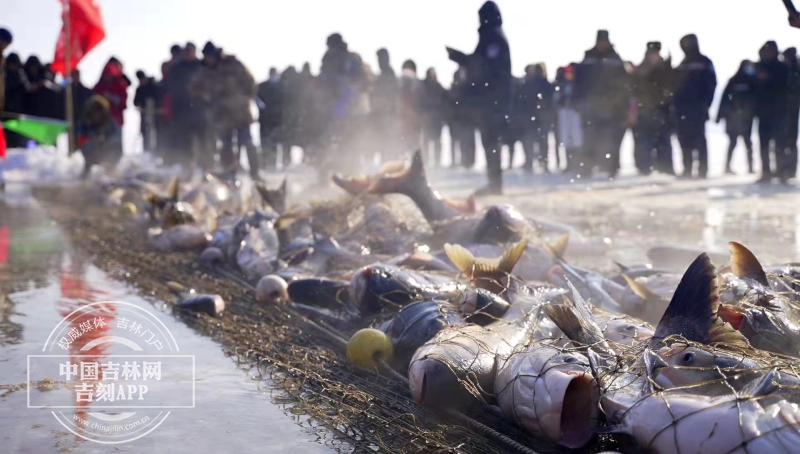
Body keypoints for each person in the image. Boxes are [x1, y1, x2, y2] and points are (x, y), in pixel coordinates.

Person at [447, 1, 512, 195]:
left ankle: (495, 183)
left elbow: (484, 67)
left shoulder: (493, 38)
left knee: (491, 141)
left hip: (493, 100)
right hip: (491, 99)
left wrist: (460, 58)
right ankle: (494, 181)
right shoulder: (491, 37)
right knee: (489, 140)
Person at [192, 41, 258, 177]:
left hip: (240, 112)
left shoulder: (232, 64)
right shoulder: (203, 70)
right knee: (226, 145)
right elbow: (194, 88)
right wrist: (206, 98)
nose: (208, 59)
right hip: (221, 115)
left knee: (247, 141)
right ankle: (229, 173)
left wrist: (243, 98)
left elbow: (250, 82)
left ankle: (255, 173)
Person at [574, 30, 630, 177]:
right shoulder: (589, 58)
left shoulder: (615, 59)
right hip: (590, 106)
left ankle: (611, 169)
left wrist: (621, 105)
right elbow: (579, 81)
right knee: (589, 139)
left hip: (611, 108)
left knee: (611, 140)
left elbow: (624, 85)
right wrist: (579, 100)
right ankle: (587, 168)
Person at [673, 34, 716, 179]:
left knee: (699, 141)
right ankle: (687, 169)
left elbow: (711, 85)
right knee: (684, 141)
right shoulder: (682, 64)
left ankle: (702, 170)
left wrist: (705, 104)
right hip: (682, 110)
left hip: (698, 109)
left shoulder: (704, 63)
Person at [631, 42, 674, 175]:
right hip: (644, 112)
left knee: (663, 142)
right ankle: (644, 169)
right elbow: (633, 92)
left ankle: (665, 168)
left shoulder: (665, 69)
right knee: (643, 143)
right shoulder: (640, 71)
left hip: (662, 111)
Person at [163, 42, 203, 167]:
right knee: (185, 140)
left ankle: (202, 165)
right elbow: (169, 86)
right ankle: (186, 165)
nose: (188, 54)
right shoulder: (177, 68)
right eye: (186, 51)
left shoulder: (202, 66)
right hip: (182, 109)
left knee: (202, 139)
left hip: (200, 109)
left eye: (190, 51)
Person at [753, 41, 788, 183]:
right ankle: (766, 172)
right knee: (763, 145)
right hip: (762, 112)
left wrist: (769, 79)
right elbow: (751, 88)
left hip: (778, 111)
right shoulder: (758, 67)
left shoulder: (782, 68)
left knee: (780, 144)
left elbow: (787, 87)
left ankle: (781, 172)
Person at [716, 60, 756, 174]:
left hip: (746, 117)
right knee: (733, 143)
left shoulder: (752, 82)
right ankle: (727, 167)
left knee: (747, 143)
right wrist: (720, 115)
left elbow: (755, 99)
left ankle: (750, 167)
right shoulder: (734, 81)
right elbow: (726, 98)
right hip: (733, 117)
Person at [517, 63, 554, 172]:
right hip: (542, 113)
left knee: (529, 139)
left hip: (530, 113)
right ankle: (543, 162)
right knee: (542, 139)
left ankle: (529, 161)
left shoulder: (528, 83)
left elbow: (522, 98)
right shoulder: (545, 83)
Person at [78, 95, 122, 179]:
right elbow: (81, 140)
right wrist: (92, 140)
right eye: (94, 111)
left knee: (110, 162)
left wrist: (104, 142)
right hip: (91, 152)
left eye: (98, 111)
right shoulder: (85, 124)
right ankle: (84, 178)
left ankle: (111, 176)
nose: (96, 115)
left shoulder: (110, 123)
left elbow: (116, 139)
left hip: (108, 151)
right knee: (88, 163)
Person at [370, 48, 399, 161]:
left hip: (387, 116)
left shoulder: (388, 75)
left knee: (387, 147)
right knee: (383, 146)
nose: (378, 61)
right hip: (383, 116)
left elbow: (390, 96)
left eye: (379, 58)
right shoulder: (383, 75)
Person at [553, 64, 582, 172]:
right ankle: (569, 163)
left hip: (574, 112)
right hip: (564, 113)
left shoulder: (577, 85)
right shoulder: (561, 85)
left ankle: (577, 163)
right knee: (566, 139)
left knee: (576, 139)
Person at [420, 68, 449, 167]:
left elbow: (445, 100)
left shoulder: (437, 86)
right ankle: (426, 161)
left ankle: (437, 161)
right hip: (428, 117)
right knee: (427, 141)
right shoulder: (424, 86)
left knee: (436, 141)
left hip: (436, 118)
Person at [449, 66, 476, 168]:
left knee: (469, 141)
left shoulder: (470, 85)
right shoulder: (457, 87)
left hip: (468, 117)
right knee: (462, 140)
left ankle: (469, 161)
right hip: (460, 117)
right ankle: (465, 161)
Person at [257, 67, 283, 169]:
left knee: (272, 143)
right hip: (267, 118)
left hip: (273, 118)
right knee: (266, 142)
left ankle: (271, 163)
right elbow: (255, 96)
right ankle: (266, 163)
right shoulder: (263, 86)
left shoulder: (279, 87)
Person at [3, 53, 30, 148]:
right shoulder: (4, 76)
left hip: (19, 115)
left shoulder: (21, 76)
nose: (12, 66)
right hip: (6, 114)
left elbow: (26, 91)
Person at [93, 58, 129, 126]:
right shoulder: (99, 86)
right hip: (101, 120)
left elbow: (123, 100)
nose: (108, 77)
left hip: (116, 119)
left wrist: (112, 98)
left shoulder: (120, 85)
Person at [397, 59, 422, 153]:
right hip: (413, 119)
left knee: (402, 146)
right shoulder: (417, 83)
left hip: (402, 119)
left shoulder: (398, 82)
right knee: (413, 145)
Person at [134, 70, 160, 152]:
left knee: (156, 133)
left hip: (156, 114)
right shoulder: (140, 89)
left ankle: (156, 151)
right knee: (145, 133)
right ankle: (146, 151)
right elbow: (135, 102)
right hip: (145, 115)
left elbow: (160, 98)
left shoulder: (154, 86)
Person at [783, 47, 800, 180]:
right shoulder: (787, 69)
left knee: (789, 141)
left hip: (790, 109)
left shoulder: (792, 69)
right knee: (788, 141)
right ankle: (788, 169)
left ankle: (789, 169)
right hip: (788, 109)